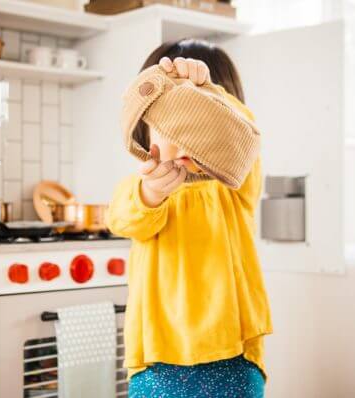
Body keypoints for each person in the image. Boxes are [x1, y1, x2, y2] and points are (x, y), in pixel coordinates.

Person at [105, 39, 273, 397]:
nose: (186, 137)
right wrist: (151, 192)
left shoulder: (234, 186)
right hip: (156, 358)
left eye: (201, 119)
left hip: (234, 353)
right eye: (171, 117)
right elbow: (123, 219)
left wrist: (208, 91)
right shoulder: (141, 188)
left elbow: (247, 139)